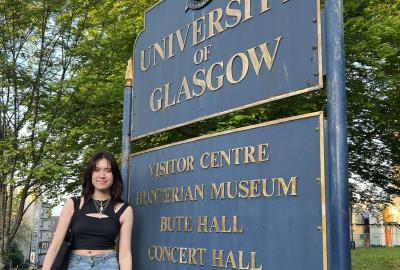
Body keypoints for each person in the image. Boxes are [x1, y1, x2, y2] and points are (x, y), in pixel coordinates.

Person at [43, 151, 133, 270]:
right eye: (97, 170)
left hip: (108, 264)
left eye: (108, 170)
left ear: (114, 175)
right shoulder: (73, 204)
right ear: (90, 174)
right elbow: (55, 246)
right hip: (75, 264)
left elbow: (125, 254)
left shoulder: (125, 210)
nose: (102, 175)